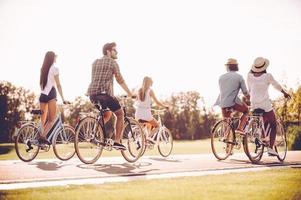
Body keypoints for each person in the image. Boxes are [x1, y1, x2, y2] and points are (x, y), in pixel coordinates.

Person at [87, 42, 134, 150]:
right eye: (114, 50)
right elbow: (120, 80)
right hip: (104, 95)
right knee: (120, 114)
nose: (117, 52)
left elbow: (96, 79)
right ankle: (117, 141)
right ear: (108, 51)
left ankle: (94, 134)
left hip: (92, 94)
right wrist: (130, 93)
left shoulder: (95, 62)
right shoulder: (112, 62)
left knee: (106, 114)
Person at [247, 57, 291, 156]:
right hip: (265, 104)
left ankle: (262, 138)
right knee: (273, 124)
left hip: (253, 103)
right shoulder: (267, 76)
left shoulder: (249, 76)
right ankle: (270, 148)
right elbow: (276, 85)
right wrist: (284, 93)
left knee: (262, 121)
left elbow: (250, 89)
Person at [215, 58, 250, 134]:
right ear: (236, 66)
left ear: (227, 67)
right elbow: (245, 92)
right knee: (246, 110)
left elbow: (225, 91)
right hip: (233, 101)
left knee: (226, 121)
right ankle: (240, 128)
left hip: (222, 101)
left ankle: (226, 138)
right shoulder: (239, 77)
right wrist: (250, 99)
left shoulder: (221, 77)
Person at [39, 51, 67, 144]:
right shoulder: (55, 68)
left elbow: (42, 84)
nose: (56, 58)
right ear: (52, 58)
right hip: (51, 94)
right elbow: (58, 85)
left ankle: (40, 140)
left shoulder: (43, 69)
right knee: (51, 120)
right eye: (55, 56)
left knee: (42, 120)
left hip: (42, 95)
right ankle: (42, 137)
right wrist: (63, 98)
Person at [135, 76, 169, 142]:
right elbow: (157, 102)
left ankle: (141, 139)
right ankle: (148, 138)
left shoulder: (139, 90)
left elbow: (137, 101)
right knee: (157, 126)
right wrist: (165, 106)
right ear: (149, 83)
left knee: (147, 125)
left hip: (138, 113)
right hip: (146, 114)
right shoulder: (150, 91)